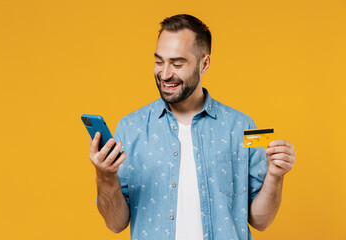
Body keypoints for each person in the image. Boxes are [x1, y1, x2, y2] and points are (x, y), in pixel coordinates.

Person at [88, 14, 296, 240]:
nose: (165, 74)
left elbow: (261, 221)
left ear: (204, 64)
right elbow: (115, 223)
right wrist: (105, 176)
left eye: (177, 64)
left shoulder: (241, 127)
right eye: (159, 61)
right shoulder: (130, 128)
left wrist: (275, 176)